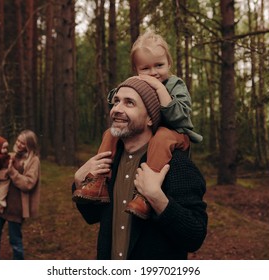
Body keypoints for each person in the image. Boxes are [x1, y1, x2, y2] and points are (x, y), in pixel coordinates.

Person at [72, 77, 207, 260]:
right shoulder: (108, 160)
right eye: (116, 101)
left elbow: (194, 237)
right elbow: (93, 216)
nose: (117, 109)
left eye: (129, 103)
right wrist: (80, 182)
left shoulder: (176, 165)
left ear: (150, 118)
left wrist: (157, 199)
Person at [72, 30, 203, 220]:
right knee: (110, 133)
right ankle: (99, 180)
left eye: (159, 65)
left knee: (161, 138)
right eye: (146, 68)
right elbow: (93, 218)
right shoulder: (136, 84)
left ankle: (145, 193)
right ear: (137, 70)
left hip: (175, 132)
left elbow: (180, 116)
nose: (153, 73)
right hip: (152, 135)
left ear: (169, 64)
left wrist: (159, 88)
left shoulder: (175, 85)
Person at [0, 130, 41, 260]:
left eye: (23, 143)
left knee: (15, 242)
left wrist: (12, 172)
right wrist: (0, 173)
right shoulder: (9, 155)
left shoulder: (33, 161)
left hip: (16, 207)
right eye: (18, 141)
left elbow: (28, 184)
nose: (19, 144)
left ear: (30, 145)